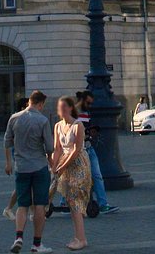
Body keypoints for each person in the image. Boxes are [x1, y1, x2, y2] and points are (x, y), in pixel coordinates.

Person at [4, 90, 54, 254]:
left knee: (22, 205)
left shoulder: (14, 117)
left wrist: (8, 163)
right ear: (40, 104)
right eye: (42, 106)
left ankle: (18, 237)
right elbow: (49, 147)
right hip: (39, 166)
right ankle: (37, 245)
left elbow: (7, 141)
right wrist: (52, 163)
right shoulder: (43, 120)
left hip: (21, 167)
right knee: (39, 205)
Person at [50, 97, 92, 251]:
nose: (60, 110)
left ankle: (81, 238)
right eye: (59, 107)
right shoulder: (57, 126)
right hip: (65, 163)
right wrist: (54, 166)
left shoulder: (78, 125)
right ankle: (79, 236)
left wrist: (61, 166)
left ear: (70, 108)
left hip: (79, 164)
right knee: (70, 200)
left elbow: (76, 150)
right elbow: (57, 149)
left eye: (63, 107)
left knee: (75, 200)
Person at [75, 90, 118, 214]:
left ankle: (103, 204)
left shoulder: (86, 112)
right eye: (88, 103)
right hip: (79, 150)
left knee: (97, 176)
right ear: (83, 100)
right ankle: (65, 203)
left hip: (89, 147)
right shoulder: (74, 113)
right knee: (75, 177)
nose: (90, 106)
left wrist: (91, 132)